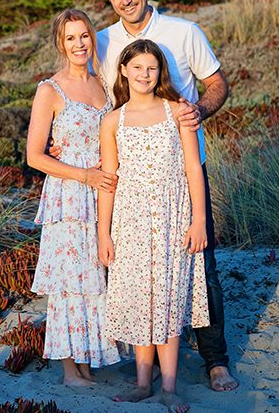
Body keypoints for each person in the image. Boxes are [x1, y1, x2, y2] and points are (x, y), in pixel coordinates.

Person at [95, 0, 238, 393]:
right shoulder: (104, 43)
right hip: (133, 183)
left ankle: (214, 359)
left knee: (200, 262)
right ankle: (150, 360)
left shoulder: (183, 32)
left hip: (184, 173)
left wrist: (199, 111)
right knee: (138, 270)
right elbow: (97, 101)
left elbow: (218, 84)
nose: (125, 0)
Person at [98, 39, 210, 413]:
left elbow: (194, 168)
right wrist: (104, 233)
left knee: (169, 297)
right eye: (138, 67)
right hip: (130, 222)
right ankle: (142, 383)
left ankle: (170, 386)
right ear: (124, 71)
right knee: (140, 299)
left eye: (152, 68)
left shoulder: (178, 112)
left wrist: (199, 220)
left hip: (172, 218)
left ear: (160, 72)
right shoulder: (113, 120)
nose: (145, 75)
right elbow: (109, 179)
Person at [26, 9, 121, 386]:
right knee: (69, 279)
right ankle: (69, 369)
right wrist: (84, 175)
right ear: (60, 44)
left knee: (96, 274)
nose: (79, 44)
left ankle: (88, 358)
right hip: (69, 194)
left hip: (104, 191)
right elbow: (35, 156)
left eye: (84, 35)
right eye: (70, 38)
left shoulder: (105, 85)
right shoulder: (50, 90)